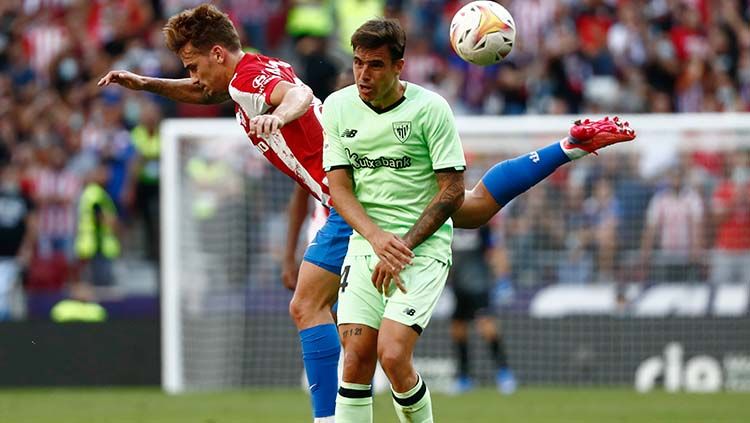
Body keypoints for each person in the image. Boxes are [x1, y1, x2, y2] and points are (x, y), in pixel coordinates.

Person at [97, 5, 635, 421]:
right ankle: (567, 147)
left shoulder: (253, 80)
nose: (193, 78)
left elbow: (297, 98)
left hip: (350, 192)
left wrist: (278, 117)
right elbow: (209, 94)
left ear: (217, 54)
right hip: (351, 182)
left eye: (194, 66)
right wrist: (144, 83)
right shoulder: (241, 76)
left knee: (307, 305)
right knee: (467, 211)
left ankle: (328, 415)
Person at [449, 226, 516, 395]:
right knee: (458, 330)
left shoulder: (480, 223)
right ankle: (463, 377)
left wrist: (503, 278)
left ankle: (504, 372)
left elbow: (495, 250)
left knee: (487, 327)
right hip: (458, 285)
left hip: (479, 283)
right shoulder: (447, 222)